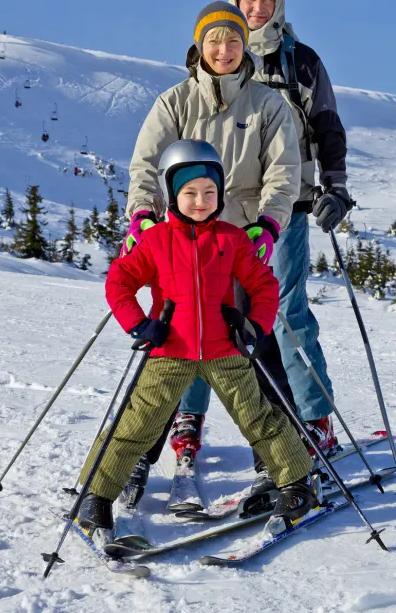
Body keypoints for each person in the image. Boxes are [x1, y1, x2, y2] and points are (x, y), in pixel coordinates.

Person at [75, 139, 314, 533]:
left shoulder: (232, 239)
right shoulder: (154, 241)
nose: (200, 201)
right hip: (170, 350)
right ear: (172, 194)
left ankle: (296, 482)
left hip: (225, 349)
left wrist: (254, 327)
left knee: (260, 418)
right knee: (136, 424)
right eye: (189, 193)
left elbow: (264, 285)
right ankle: (95, 495)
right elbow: (119, 282)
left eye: (209, 192)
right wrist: (140, 324)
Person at [119, 1, 301, 498]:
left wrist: (267, 224)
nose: (225, 50)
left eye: (234, 40)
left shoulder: (268, 104)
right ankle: (134, 458)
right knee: (167, 350)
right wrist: (142, 214)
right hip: (179, 244)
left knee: (257, 345)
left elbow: (284, 172)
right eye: (215, 41)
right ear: (200, 46)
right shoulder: (175, 102)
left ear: (246, 45)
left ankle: (280, 457)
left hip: (240, 240)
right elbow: (146, 166)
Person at [225, 0, 352, 452]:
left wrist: (335, 188)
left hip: (287, 206)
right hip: (227, 209)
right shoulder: (223, 56)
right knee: (225, 315)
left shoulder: (302, 61)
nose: (257, 6)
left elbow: (327, 126)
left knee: (284, 311)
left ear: (278, 0)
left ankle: (315, 420)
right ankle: (261, 424)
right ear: (234, 1)